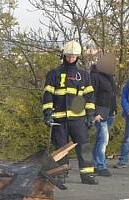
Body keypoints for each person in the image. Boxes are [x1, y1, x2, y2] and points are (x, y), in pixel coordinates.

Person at [42, 40, 98, 185]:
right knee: (61, 148)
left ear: (78, 57)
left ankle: (87, 175)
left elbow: (89, 96)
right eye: (69, 56)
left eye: (74, 56)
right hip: (59, 118)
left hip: (78, 119)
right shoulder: (54, 74)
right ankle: (61, 174)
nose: (71, 58)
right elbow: (48, 95)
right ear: (64, 55)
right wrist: (47, 113)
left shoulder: (83, 75)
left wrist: (90, 114)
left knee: (84, 146)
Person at [90, 54, 117, 177]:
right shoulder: (95, 76)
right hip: (100, 113)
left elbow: (112, 95)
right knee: (103, 140)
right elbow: (91, 95)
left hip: (110, 112)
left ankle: (95, 164)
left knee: (101, 140)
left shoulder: (110, 77)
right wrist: (95, 113)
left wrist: (114, 109)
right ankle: (100, 166)